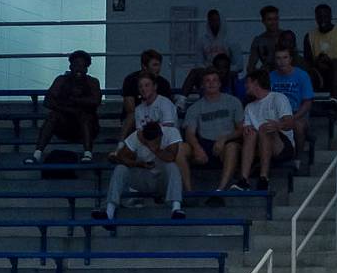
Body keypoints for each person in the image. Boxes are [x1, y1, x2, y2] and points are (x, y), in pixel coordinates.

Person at [94, 121, 184, 223]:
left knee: (172, 166)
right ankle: (109, 211)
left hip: (162, 180)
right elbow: (121, 157)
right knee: (120, 169)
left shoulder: (171, 132)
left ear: (160, 135)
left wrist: (155, 149)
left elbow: (171, 157)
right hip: (142, 177)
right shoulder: (136, 136)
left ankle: (176, 208)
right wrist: (139, 164)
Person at [27, 50, 101, 164]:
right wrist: (71, 108)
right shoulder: (61, 80)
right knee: (53, 116)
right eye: (76, 65)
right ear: (70, 66)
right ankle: (37, 154)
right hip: (64, 124)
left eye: (82, 66)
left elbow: (95, 101)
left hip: (86, 126)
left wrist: (72, 100)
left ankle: (87, 153)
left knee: (85, 116)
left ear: (87, 68)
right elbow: (48, 101)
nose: (79, 69)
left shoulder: (93, 82)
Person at [182, 69, 245, 199]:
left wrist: (224, 139)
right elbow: (189, 133)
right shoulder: (195, 108)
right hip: (204, 144)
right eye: (207, 81)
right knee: (180, 149)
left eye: (214, 80)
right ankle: (188, 193)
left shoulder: (233, 102)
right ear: (202, 85)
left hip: (227, 143)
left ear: (220, 83)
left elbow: (241, 129)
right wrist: (197, 148)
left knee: (232, 147)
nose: (211, 83)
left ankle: (220, 191)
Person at [239, 70, 297, 192]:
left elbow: (290, 123)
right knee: (251, 133)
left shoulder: (278, 97)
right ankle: (243, 180)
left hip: (281, 146)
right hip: (259, 146)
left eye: (247, 83)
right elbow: (247, 128)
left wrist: (278, 125)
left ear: (255, 83)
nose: (245, 86)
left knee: (265, 128)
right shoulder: (249, 107)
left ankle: (264, 177)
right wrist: (246, 129)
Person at [303, 3, 337, 101]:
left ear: (331, 16)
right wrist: (317, 62)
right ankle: (307, 106)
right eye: (319, 17)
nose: (322, 19)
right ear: (316, 18)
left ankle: (333, 102)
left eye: (325, 16)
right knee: (307, 74)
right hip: (321, 75)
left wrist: (331, 62)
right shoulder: (309, 36)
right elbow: (307, 62)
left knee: (336, 66)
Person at [120, 51, 173, 137]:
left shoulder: (164, 83)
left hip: (156, 118)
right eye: (155, 65)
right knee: (133, 115)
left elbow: (165, 106)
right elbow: (130, 109)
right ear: (144, 66)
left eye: (159, 65)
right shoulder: (131, 80)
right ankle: (121, 144)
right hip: (136, 117)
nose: (158, 68)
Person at [267, 47, 314, 144]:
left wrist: (294, 117)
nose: (282, 61)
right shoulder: (270, 76)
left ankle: (298, 157)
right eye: (278, 58)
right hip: (276, 113)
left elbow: (307, 103)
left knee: (298, 126)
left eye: (285, 57)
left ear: (291, 59)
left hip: (297, 113)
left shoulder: (302, 75)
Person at [182, 9, 234, 95]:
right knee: (194, 73)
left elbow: (239, 65)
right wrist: (210, 70)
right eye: (211, 20)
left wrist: (225, 69)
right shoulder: (202, 41)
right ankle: (181, 101)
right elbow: (199, 62)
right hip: (208, 72)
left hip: (226, 74)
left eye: (216, 20)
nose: (214, 23)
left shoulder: (231, 41)